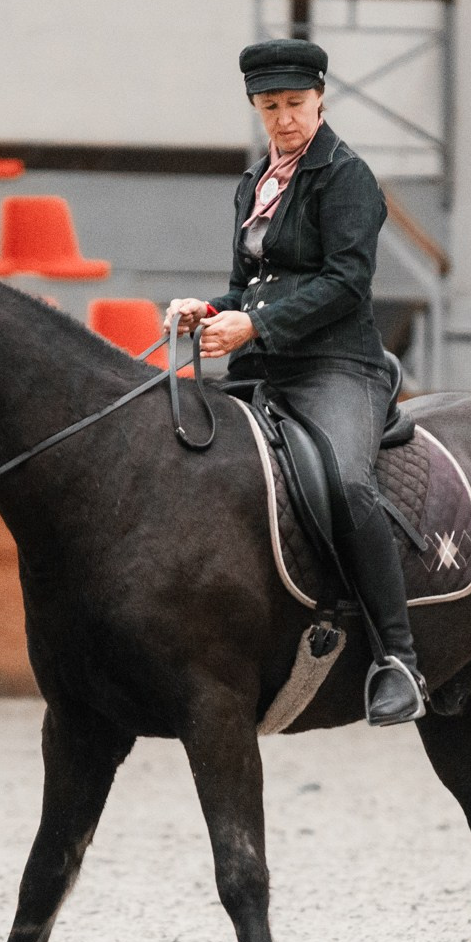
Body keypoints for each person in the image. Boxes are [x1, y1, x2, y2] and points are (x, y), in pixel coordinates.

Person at [167, 38, 426, 727]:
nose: (283, 118)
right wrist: (211, 311)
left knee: (344, 481)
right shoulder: (254, 184)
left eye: (294, 104)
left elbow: (346, 283)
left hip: (337, 366)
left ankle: (398, 656)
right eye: (269, 106)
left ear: (320, 100)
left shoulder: (347, 178)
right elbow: (245, 286)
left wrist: (252, 325)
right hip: (263, 368)